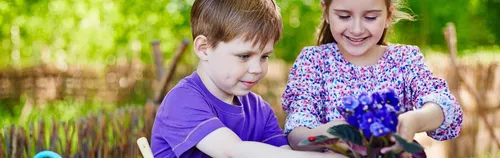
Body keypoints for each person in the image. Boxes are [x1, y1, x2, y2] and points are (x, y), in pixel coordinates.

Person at [151, 0, 345, 157]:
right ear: (204, 48)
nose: (257, 68)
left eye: (264, 56)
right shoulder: (182, 101)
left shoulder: (260, 110)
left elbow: (283, 154)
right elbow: (231, 150)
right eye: (244, 56)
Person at [282, 0, 463, 155]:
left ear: (388, 15)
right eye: (344, 16)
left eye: (370, 17)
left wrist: (414, 121)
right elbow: (297, 134)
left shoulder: (404, 59)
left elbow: (444, 106)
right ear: (326, 12)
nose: (357, 29)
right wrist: (338, 131)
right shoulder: (313, 61)